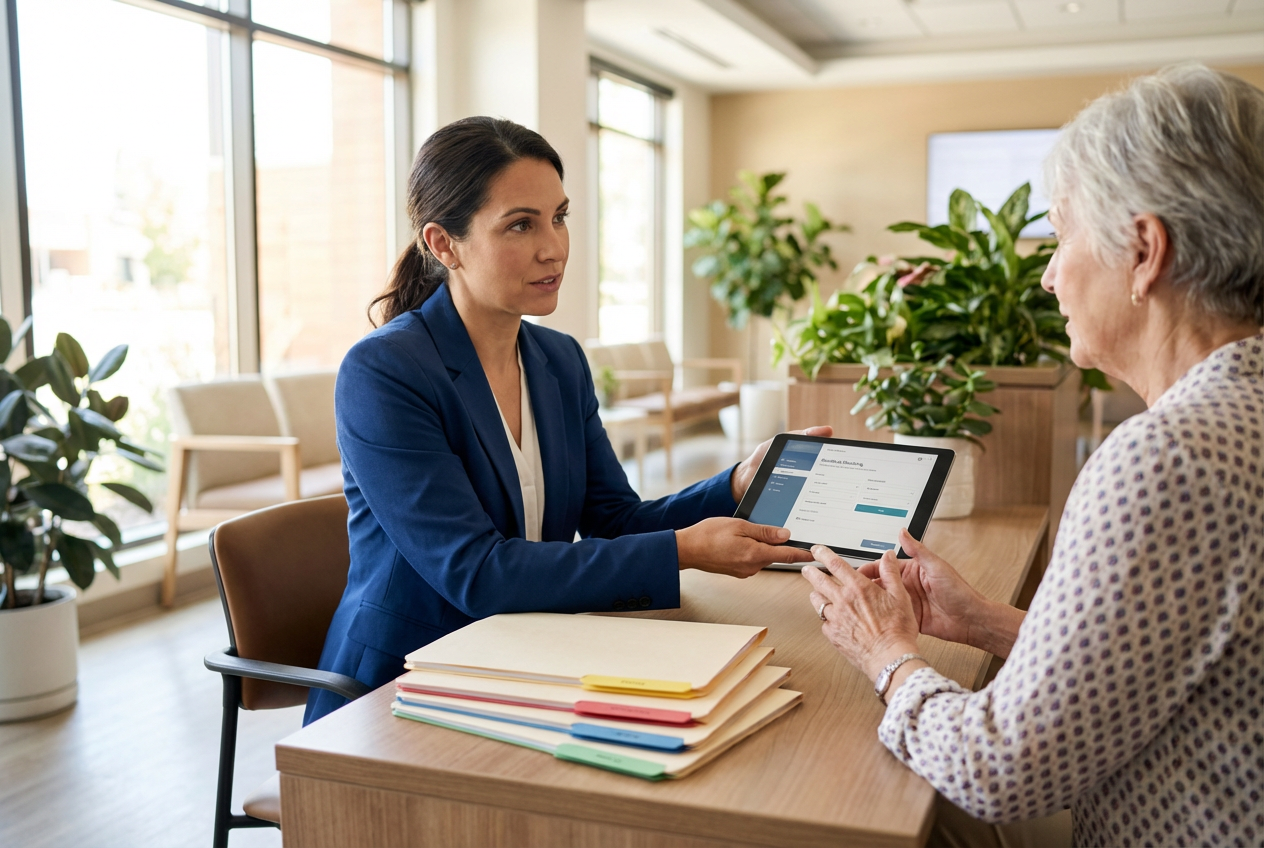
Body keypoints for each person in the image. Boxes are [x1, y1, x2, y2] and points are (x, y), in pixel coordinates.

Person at [802, 63, 1263, 847]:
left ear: (1145, 250)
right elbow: (1169, 661)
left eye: (1061, 236)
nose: (1048, 274)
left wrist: (884, 654)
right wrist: (983, 621)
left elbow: (999, 771)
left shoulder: (1169, 456)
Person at [307, 116, 824, 724]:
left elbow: (614, 520)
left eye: (559, 216)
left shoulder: (558, 360)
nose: (553, 246)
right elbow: (477, 573)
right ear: (444, 244)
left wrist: (738, 483)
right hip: (404, 684)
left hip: (534, 656)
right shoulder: (385, 372)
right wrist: (683, 550)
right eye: (520, 224)